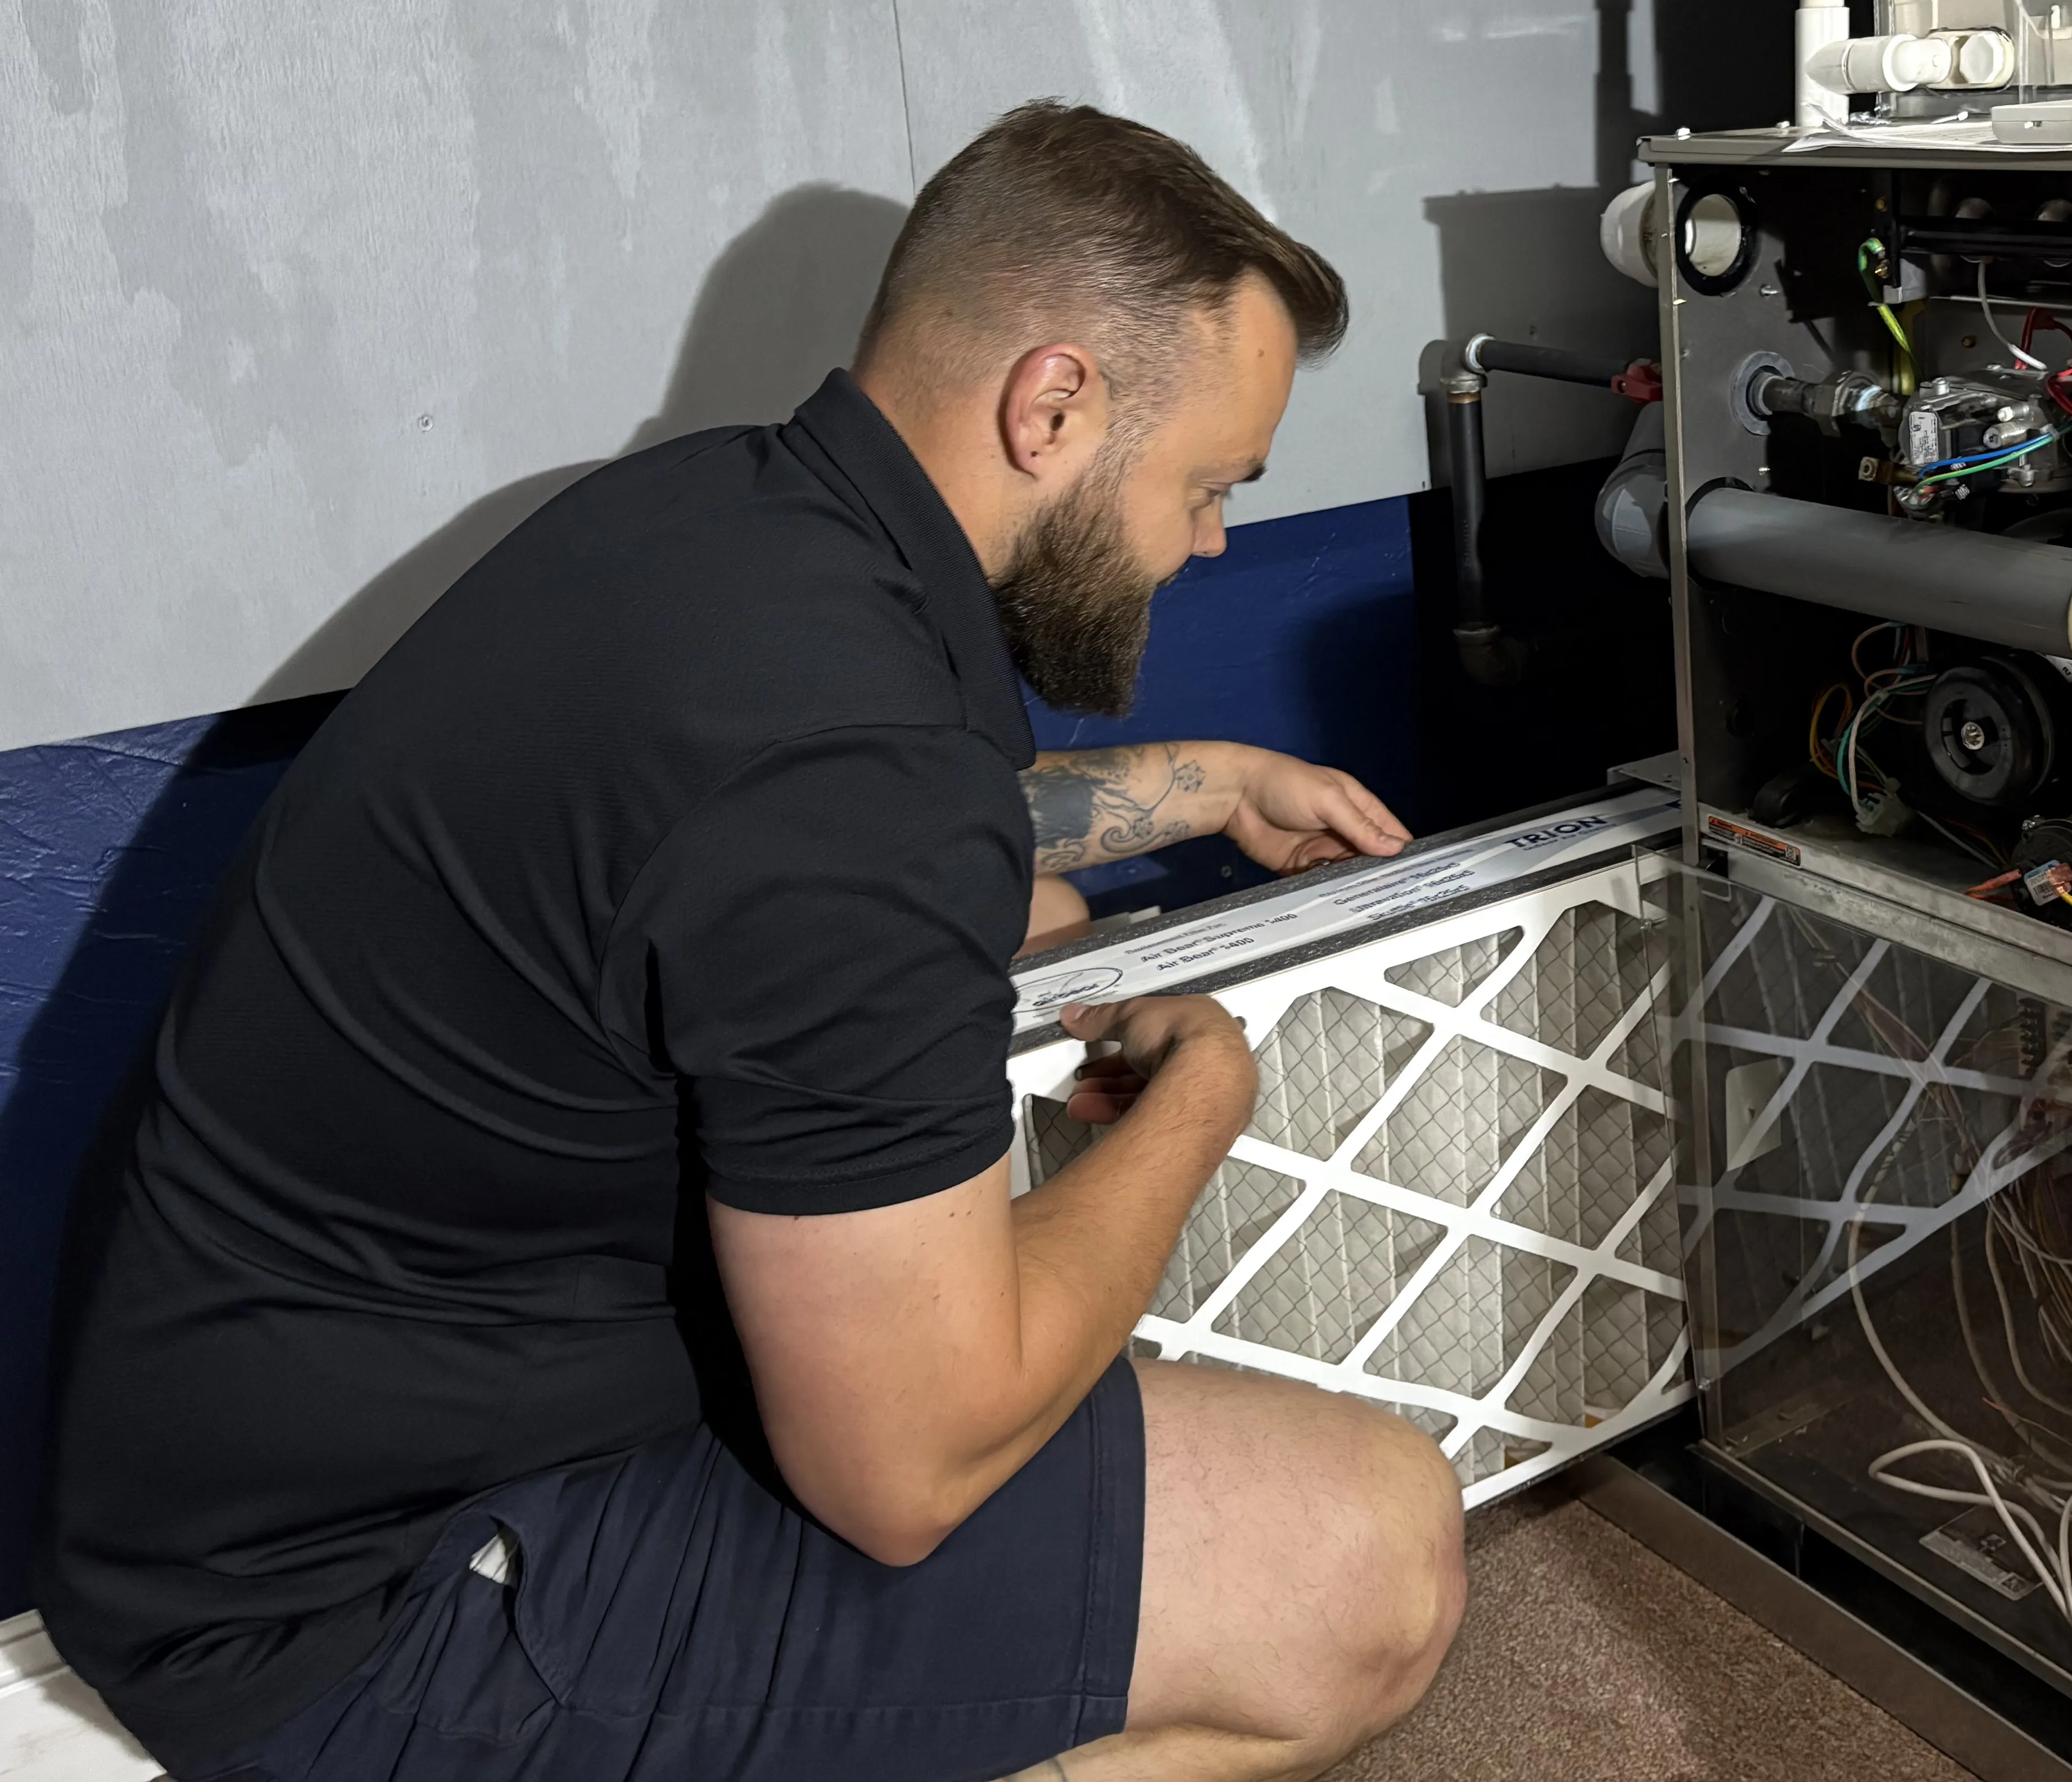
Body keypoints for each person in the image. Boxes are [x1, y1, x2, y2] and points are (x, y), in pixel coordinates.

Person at [40, 103, 1465, 1782]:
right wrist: (1201, 1103)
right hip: (349, 1608)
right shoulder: (843, 771)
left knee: (1054, 947)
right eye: (1209, 484)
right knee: (1374, 1553)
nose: (1209, 539)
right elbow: (908, 1470)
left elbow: (876, 859)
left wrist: (1216, 784)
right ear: (1057, 402)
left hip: (241, 1460)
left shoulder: (731, 535)